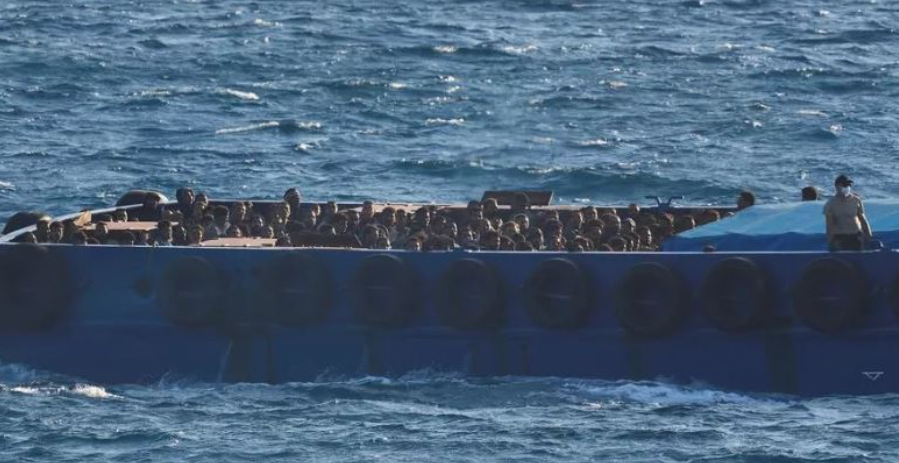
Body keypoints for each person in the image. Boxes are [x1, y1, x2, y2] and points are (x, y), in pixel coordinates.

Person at [824, 174, 872, 251]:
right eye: (844, 185)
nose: (847, 187)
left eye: (848, 185)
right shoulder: (830, 204)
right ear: (837, 186)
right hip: (840, 238)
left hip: (856, 237)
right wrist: (830, 242)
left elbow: (863, 219)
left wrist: (868, 234)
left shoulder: (856, 200)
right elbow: (829, 226)